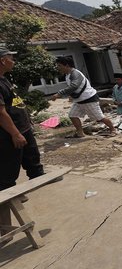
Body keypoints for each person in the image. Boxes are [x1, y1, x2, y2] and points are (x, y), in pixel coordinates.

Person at [0, 44, 44, 246]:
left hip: (22, 131)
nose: (13, 60)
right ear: (2, 60)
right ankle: (4, 229)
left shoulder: (4, 78)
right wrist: (16, 133)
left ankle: (28, 185)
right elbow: (0, 113)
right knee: (5, 182)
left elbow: (13, 104)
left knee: (31, 163)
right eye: (11, 57)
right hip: (9, 137)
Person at [50, 56, 116, 137]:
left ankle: (113, 129)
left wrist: (59, 94)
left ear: (66, 65)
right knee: (72, 115)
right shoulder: (68, 75)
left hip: (89, 99)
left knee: (99, 117)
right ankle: (80, 133)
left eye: (59, 65)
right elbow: (74, 88)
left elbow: (74, 86)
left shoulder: (75, 73)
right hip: (79, 100)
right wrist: (71, 95)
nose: (58, 68)